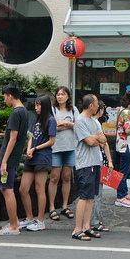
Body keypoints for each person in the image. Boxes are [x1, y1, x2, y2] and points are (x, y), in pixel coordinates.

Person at [0, 83, 30, 236]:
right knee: (5, 188)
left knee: (7, 189)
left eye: (4, 97)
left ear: (10, 95)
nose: (4, 101)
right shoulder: (24, 112)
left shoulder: (16, 113)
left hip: (8, 158)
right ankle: (14, 222)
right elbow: (13, 136)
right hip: (11, 157)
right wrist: (1, 134)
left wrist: (4, 161)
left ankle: (13, 226)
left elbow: (13, 139)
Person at [71, 93, 107, 241]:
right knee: (84, 197)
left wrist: (97, 138)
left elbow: (103, 140)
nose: (99, 106)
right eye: (97, 103)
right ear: (91, 105)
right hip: (84, 164)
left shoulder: (93, 122)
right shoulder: (80, 121)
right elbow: (90, 142)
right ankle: (77, 229)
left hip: (95, 163)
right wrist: (96, 138)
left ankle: (87, 227)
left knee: (91, 197)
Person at [19, 94, 56, 231]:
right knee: (23, 189)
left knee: (39, 188)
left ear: (45, 105)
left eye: (39, 105)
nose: (36, 107)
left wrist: (35, 148)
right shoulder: (35, 119)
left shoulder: (51, 120)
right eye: (35, 104)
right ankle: (29, 218)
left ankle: (40, 221)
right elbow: (30, 137)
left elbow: (51, 141)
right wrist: (29, 149)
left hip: (43, 156)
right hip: (32, 156)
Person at [48, 86, 79, 221]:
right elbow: (52, 127)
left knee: (67, 177)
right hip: (56, 148)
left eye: (63, 94)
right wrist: (69, 123)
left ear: (68, 96)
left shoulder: (74, 110)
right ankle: (51, 207)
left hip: (70, 147)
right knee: (54, 177)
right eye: (58, 94)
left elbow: (78, 125)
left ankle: (65, 206)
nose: (60, 96)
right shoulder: (52, 109)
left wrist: (64, 123)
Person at [90, 100, 113, 234]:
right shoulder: (96, 123)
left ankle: (92, 220)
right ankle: (95, 222)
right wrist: (109, 161)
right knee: (97, 194)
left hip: (93, 161)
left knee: (93, 193)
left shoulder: (88, 122)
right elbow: (104, 143)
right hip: (96, 161)